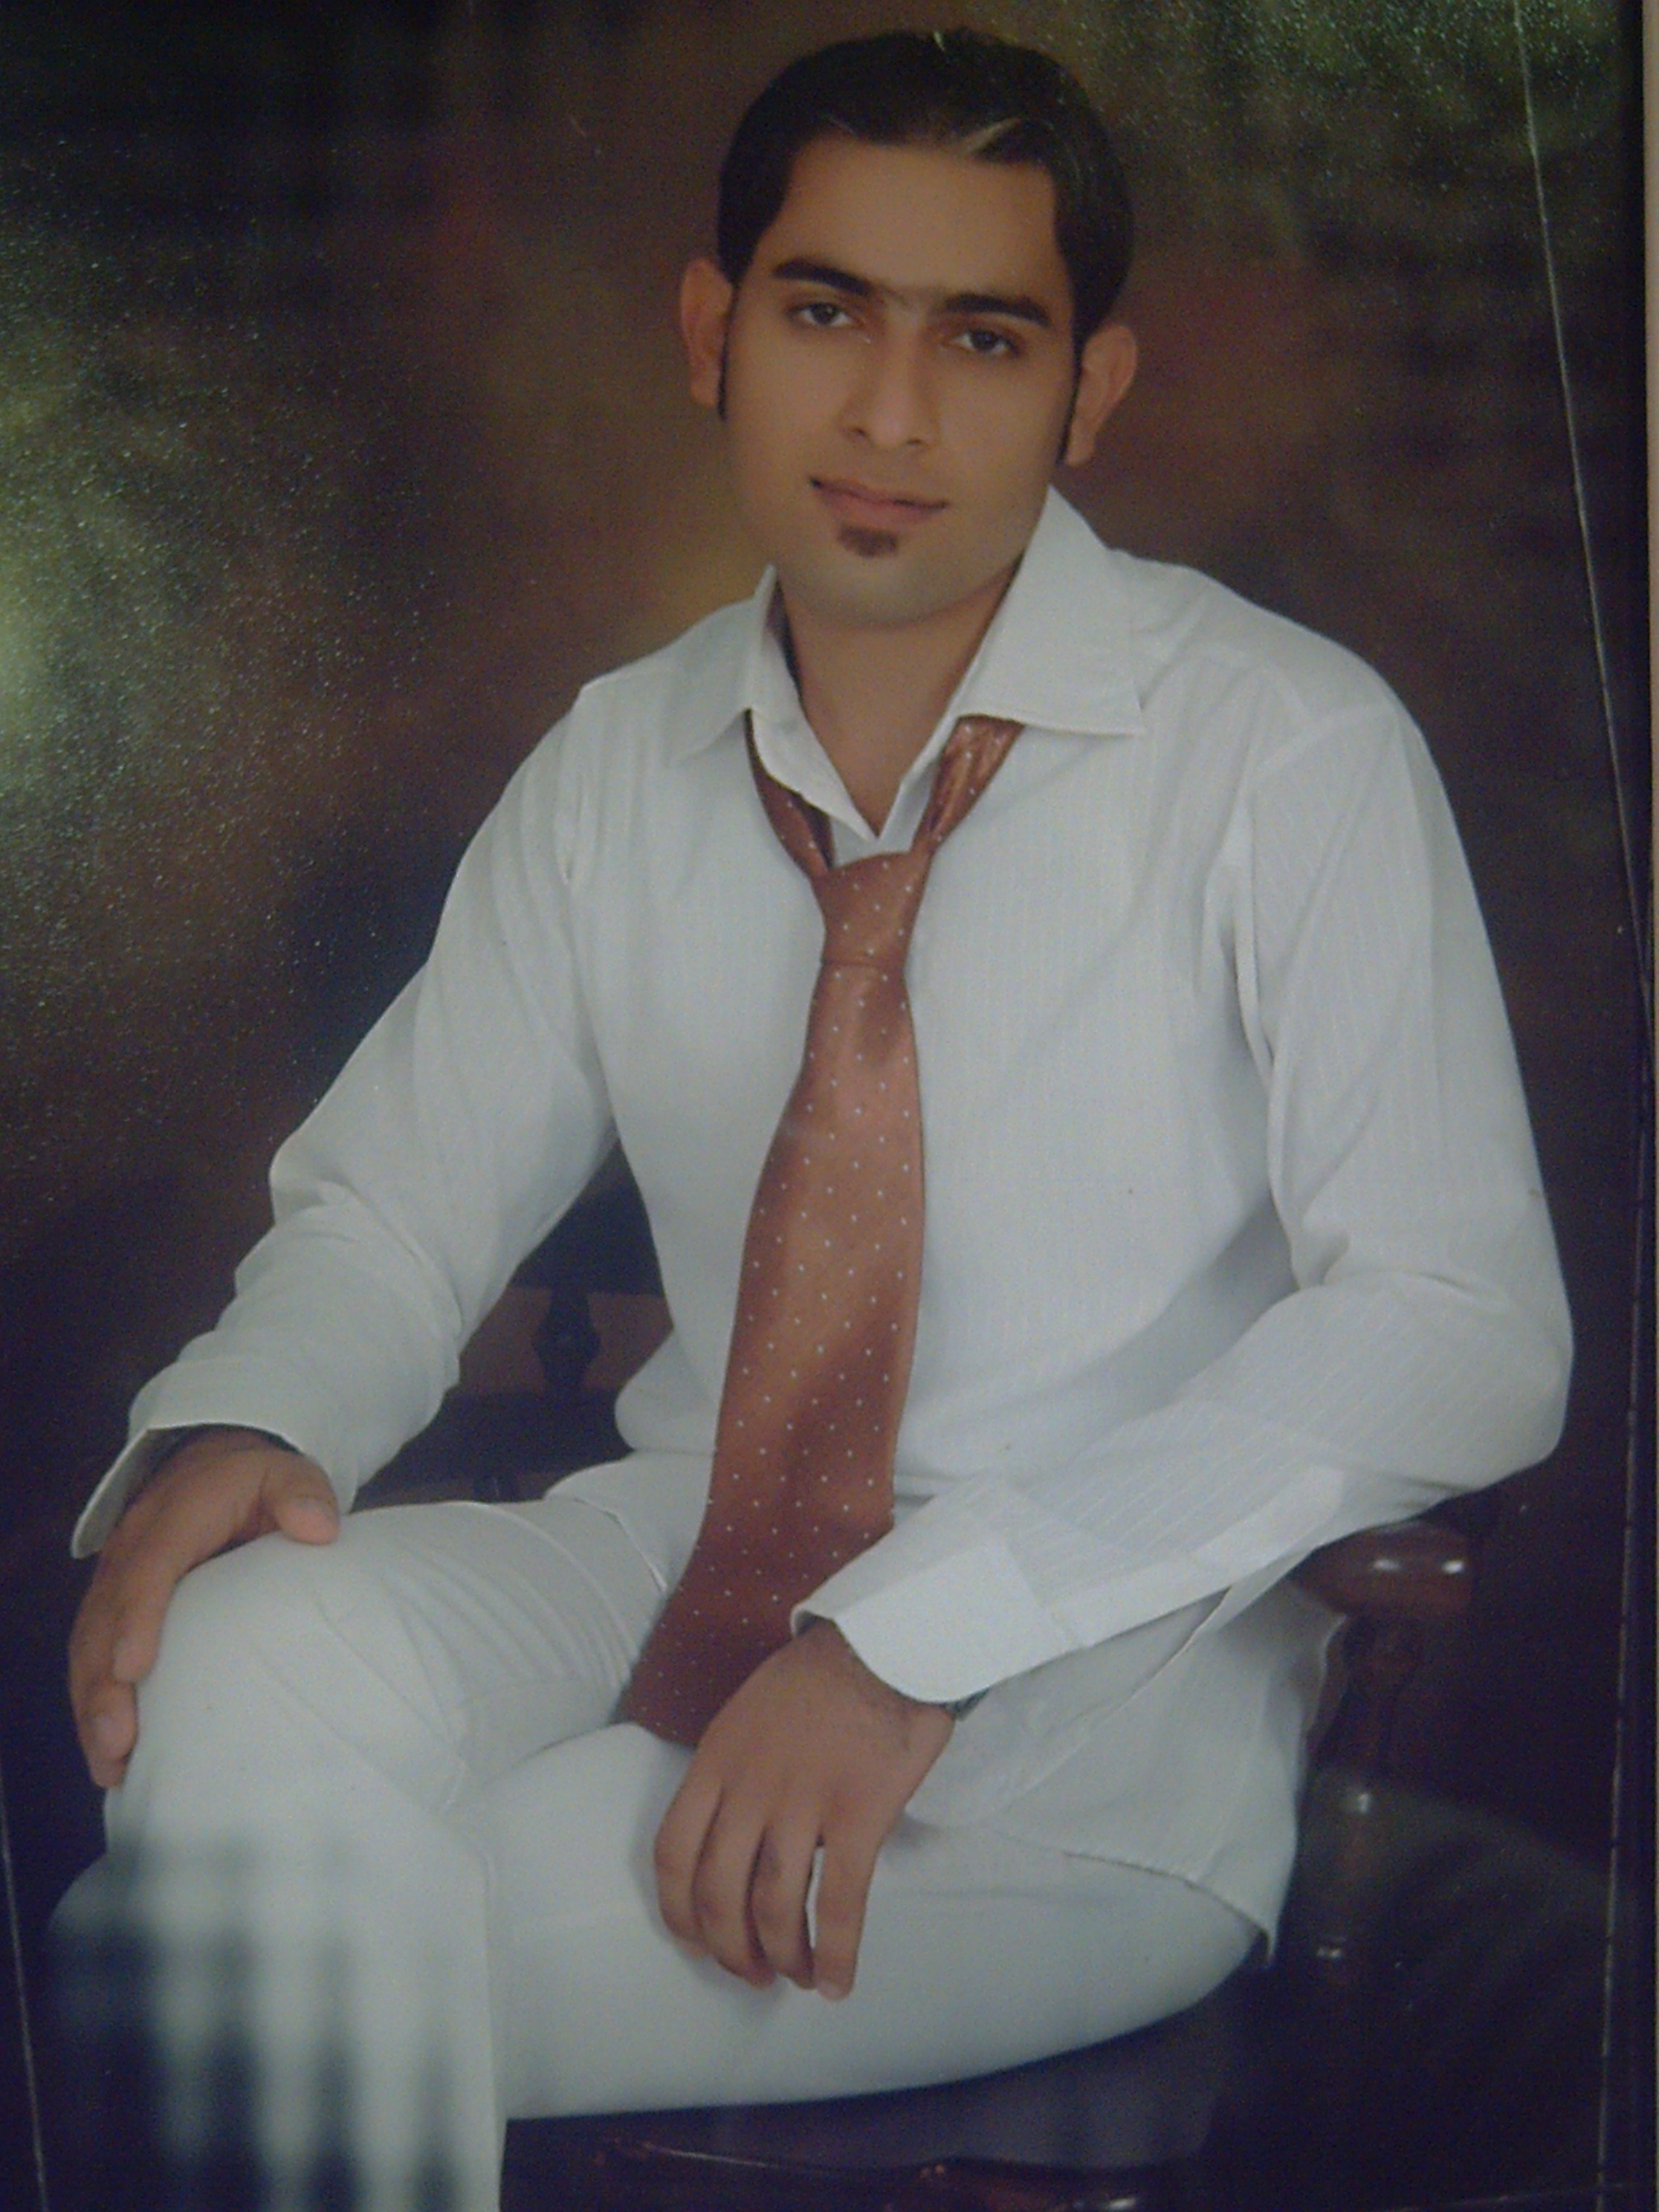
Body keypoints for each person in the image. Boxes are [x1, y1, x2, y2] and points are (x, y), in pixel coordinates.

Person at [56, 27, 1571, 2212]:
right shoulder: (621, 758)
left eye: (985, 338)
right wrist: (255, 1408)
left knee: (214, 1955)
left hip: (1088, 1707)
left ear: (1093, 389)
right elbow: (397, 1207)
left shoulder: (1286, 751)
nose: (889, 416)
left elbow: (1461, 1319)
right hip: (678, 1544)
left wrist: (914, 1634)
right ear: (713, 332)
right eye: (827, 311)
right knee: (248, 1646)